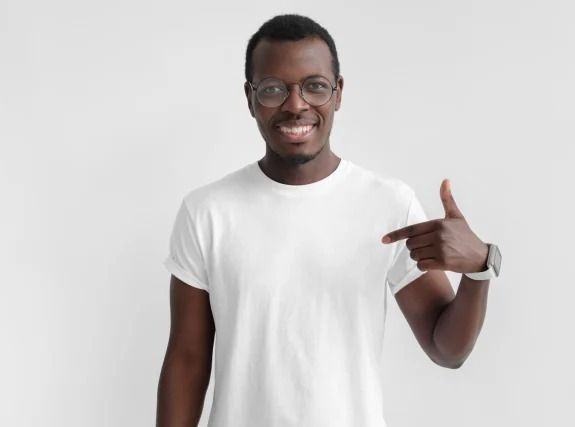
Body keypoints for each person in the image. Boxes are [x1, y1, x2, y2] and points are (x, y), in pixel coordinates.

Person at [156, 13, 501, 427]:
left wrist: (480, 268)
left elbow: (447, 350)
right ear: (250, 98)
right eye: (273, 89)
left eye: (315, 86)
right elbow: (188, 360)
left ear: (338, 93)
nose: (295, 104)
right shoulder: (207, 212)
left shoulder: (388, 204)